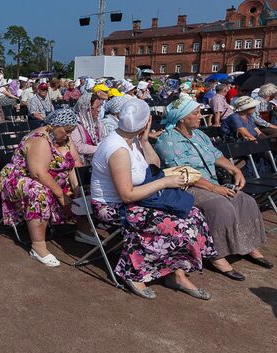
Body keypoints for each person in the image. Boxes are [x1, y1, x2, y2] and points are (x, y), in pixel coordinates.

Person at [90, 98, 216, 300]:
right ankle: (134, 272)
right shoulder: (118, 149)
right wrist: (165, 183)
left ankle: (176, 273)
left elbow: (154, 166)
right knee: (178, 225)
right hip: (114, 206)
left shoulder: (131, 141)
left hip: (139, 199)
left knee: (193, 215)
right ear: (145, 121)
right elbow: (126, 195)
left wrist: (145, 141)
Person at [156, 96, 272, 280]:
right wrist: (214, 188)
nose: (200, 116)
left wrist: (235, 170)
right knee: (219, 205)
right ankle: (217, 254)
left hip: (210, 182)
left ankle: (247, 244)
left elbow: (216, 155)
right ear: (183, 118)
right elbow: (183, 172)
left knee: (245, 200)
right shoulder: (167, 140)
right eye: (196, 113)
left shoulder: (200, 135)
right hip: (186, 186)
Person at [0, 109, 90, 266]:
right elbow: (38, 174)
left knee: (84, 186)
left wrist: (77, 189)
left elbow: (74, 164)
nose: (69, 136)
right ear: (54, 125)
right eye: (67, 131)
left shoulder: (65, 139)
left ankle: (83, 230)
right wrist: (63, 197)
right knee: (39, 192)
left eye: (71, 132)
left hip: (51, 178)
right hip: (22, 178)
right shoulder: (40, 140)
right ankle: (38, 246)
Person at [71, 93, 105, 164]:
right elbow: (78, 147)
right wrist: (100, 148)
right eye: (96, 107)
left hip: (98, 159)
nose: (99, 110)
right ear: (86, 108)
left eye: (100, 107)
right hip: (84, 162)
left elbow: (103, 138)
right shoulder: (76, 123)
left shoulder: (97, 121)